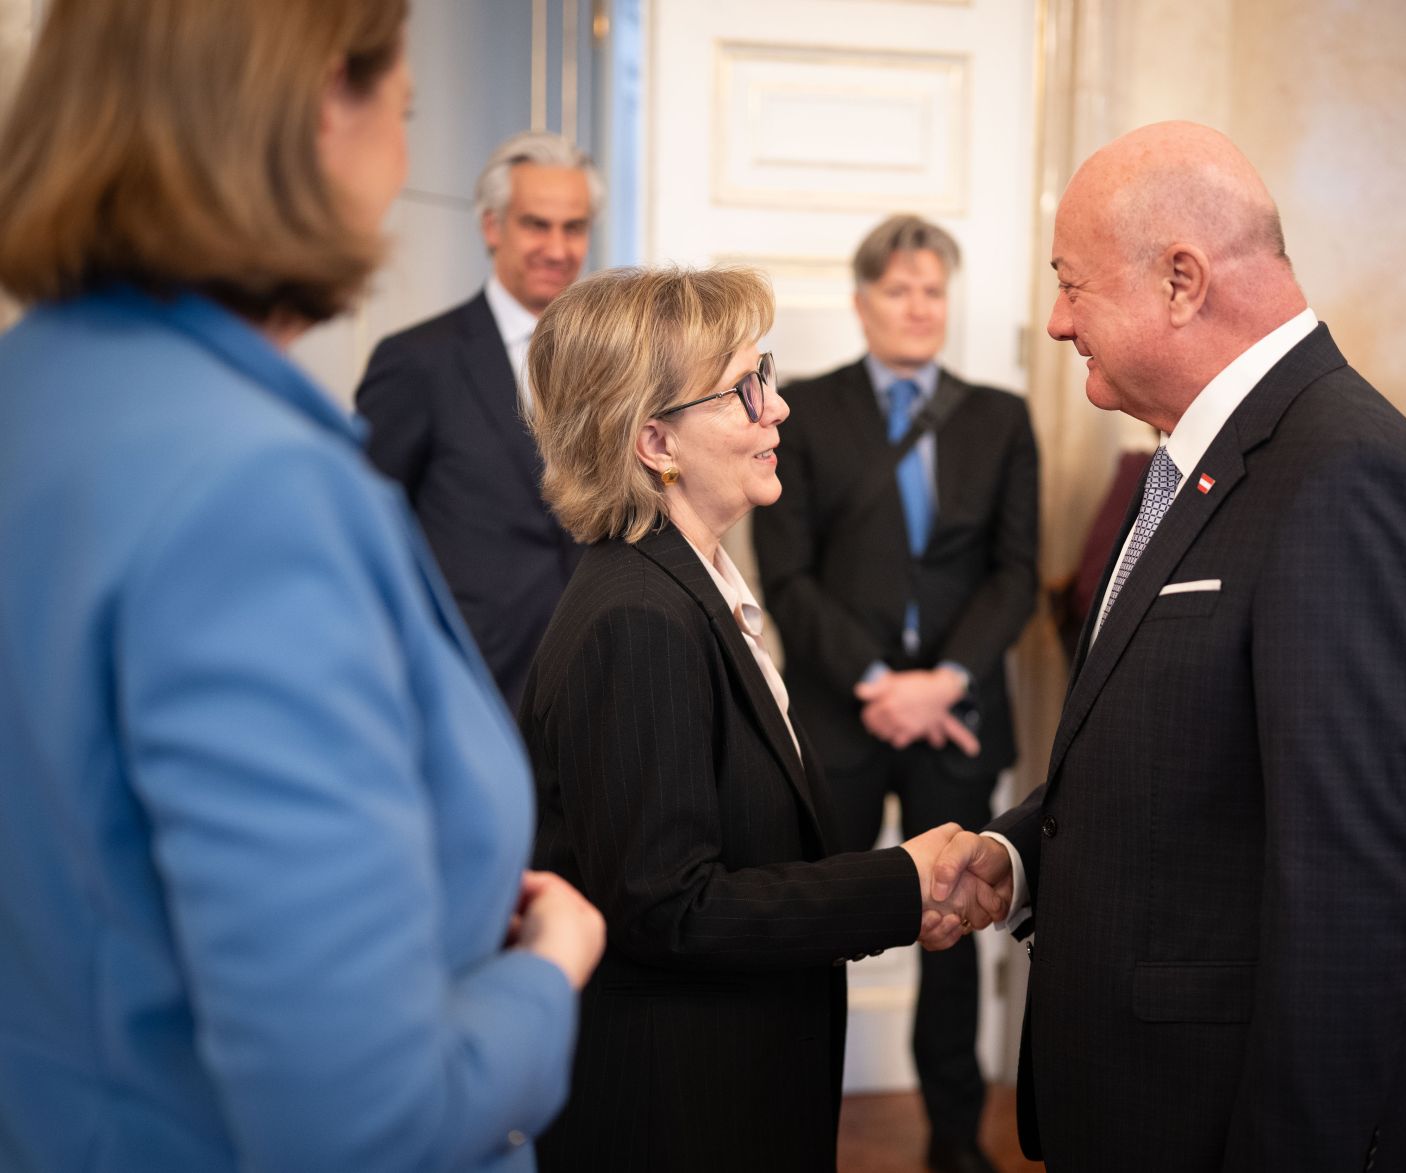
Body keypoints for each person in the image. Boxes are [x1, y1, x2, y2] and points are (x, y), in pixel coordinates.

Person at [0, 3, 605, 1170]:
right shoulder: (252, 491)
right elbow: (367, 1121)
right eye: (405, 114)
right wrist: (549, 969)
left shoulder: (33, 395)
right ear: (329, 101)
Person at [929, 121, 1406, 1170]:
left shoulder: (1343, 477)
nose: (1053, 323)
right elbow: (1181, 755)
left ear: (1180, 281)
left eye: (1070, 285)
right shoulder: (1199, 460)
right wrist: (1015, 857)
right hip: (1143, 1102)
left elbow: (1350, 893)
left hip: (1227, 1120)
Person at [520, 264, 1004, 1172]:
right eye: (744, 390)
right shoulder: (638, 619)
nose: (776, 409)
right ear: (655, 439)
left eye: (767, 375)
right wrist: (898, 883)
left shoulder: (688, 587)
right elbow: (673, 910)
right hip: (680, 1110)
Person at [750, 214, 1039, 1173]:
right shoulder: (804, 409)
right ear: (863, 301)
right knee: (819, 922)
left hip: (956, 722)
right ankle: (792, 1126)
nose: (918, 307)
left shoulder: (998, 414)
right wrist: (880, 685)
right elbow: (786, 576)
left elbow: (1016, 573)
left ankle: (955, 1139)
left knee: (955, 925)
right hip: (842, 715)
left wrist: (941, 683)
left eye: (933, 290)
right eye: (898, 290)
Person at [356, 130, 603, 712]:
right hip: (467, 688)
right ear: (492, 228)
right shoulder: (417, 361)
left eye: (574, 228)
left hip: (595, 686)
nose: (557, 247)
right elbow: (368, 527)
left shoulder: (613, 366)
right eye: (536, 224)